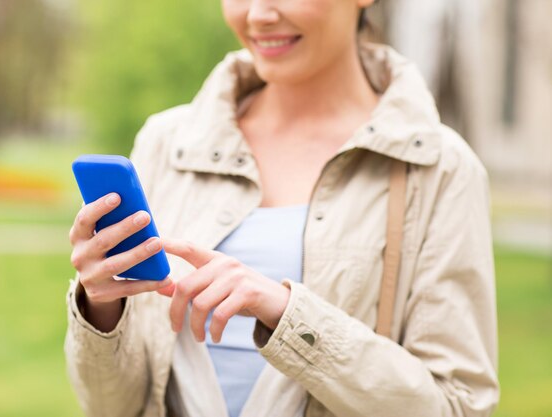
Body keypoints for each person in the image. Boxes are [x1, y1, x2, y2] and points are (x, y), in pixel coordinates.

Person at [65, 0, 499, 416]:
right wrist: (103, 310)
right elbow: (111, 408)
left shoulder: (440, 168)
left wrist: (286, 314)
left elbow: (457, 406)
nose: (258, 14)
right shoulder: (167, 143)